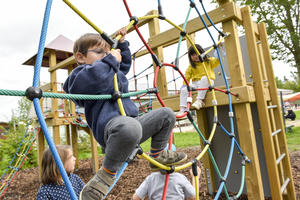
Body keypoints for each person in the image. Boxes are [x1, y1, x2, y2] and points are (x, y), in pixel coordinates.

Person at [63, 27, 187, 200]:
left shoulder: (112, 69)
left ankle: (158, 155)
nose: (106, 56)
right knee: (130, 127)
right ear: (80, 57)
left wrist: (121, 45)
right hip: (113, 129)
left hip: (133, 124)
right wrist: (110, 60)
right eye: (100, 52)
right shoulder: (80, 76)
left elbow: (124, 64)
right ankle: (105, 175)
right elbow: (89, 80)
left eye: (107, 52)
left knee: (167, 115)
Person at [179, 44, 220, 114]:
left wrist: (217, 49)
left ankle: (199, 100)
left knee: (204, 78)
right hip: (196, 84)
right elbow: (187, 77)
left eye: (197, 53)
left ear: (202, 53)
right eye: (193, 55)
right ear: (190, 57)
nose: (195, 56)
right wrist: (184, 85)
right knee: (184, 89)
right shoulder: (191, 66)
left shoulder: (208, 61)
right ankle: (183, 108)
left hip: (208, 82)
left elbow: (217, 61)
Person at [132, 166, 201, 200]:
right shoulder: (180, 178)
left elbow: (135, 198)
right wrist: (195, 177)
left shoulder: (151, 178)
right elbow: (193, 196)